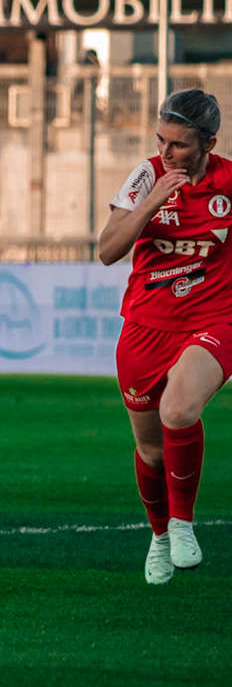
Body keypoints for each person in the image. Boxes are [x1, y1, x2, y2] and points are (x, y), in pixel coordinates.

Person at [97, 88, 230, 585]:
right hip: (146, 326)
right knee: (151, 450)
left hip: (213, 321)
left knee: (179, 410)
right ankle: (158, 536)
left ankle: (183, 523)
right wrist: (153, 201)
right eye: (161, 140)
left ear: (208, 144)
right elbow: (108, 251)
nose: (166, 152)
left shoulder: (230, 183)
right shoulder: (146, 176)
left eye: (178, 144)